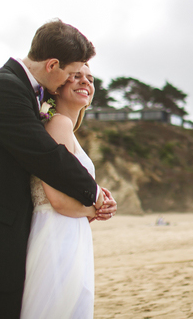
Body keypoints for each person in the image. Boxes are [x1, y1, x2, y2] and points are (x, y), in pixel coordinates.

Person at [0, 19, 115, 318]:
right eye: (70, 73)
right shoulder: (3, 87)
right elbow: (46, 157)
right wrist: (96, 197)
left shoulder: (23, 91)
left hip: (11, 238)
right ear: (53, 64)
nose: (71, 80)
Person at [21, 63, 115, 319]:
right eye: (76, 76)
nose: (86, 82)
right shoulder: (58, 124)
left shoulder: (64, 129)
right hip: (56, 235)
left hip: (65, 232)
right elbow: (58, 201)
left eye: (90, 78)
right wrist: (96, 209)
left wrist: (98, 197)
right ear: (58, 86)